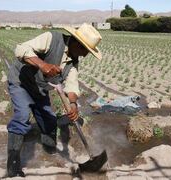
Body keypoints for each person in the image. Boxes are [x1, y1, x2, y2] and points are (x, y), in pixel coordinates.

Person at [6, 23, 102, 177]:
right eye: (85, 50)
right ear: (76, 42)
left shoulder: (73, 61)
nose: (85, 55)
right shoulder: (51, 38)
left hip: (40, 88)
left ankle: (49, 151)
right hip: (21, 82)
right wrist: (42, 64)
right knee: (22, 115)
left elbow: (72, 84)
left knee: (49, 120)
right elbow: (20, 49)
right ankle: (13, 164)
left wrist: (72, 104)